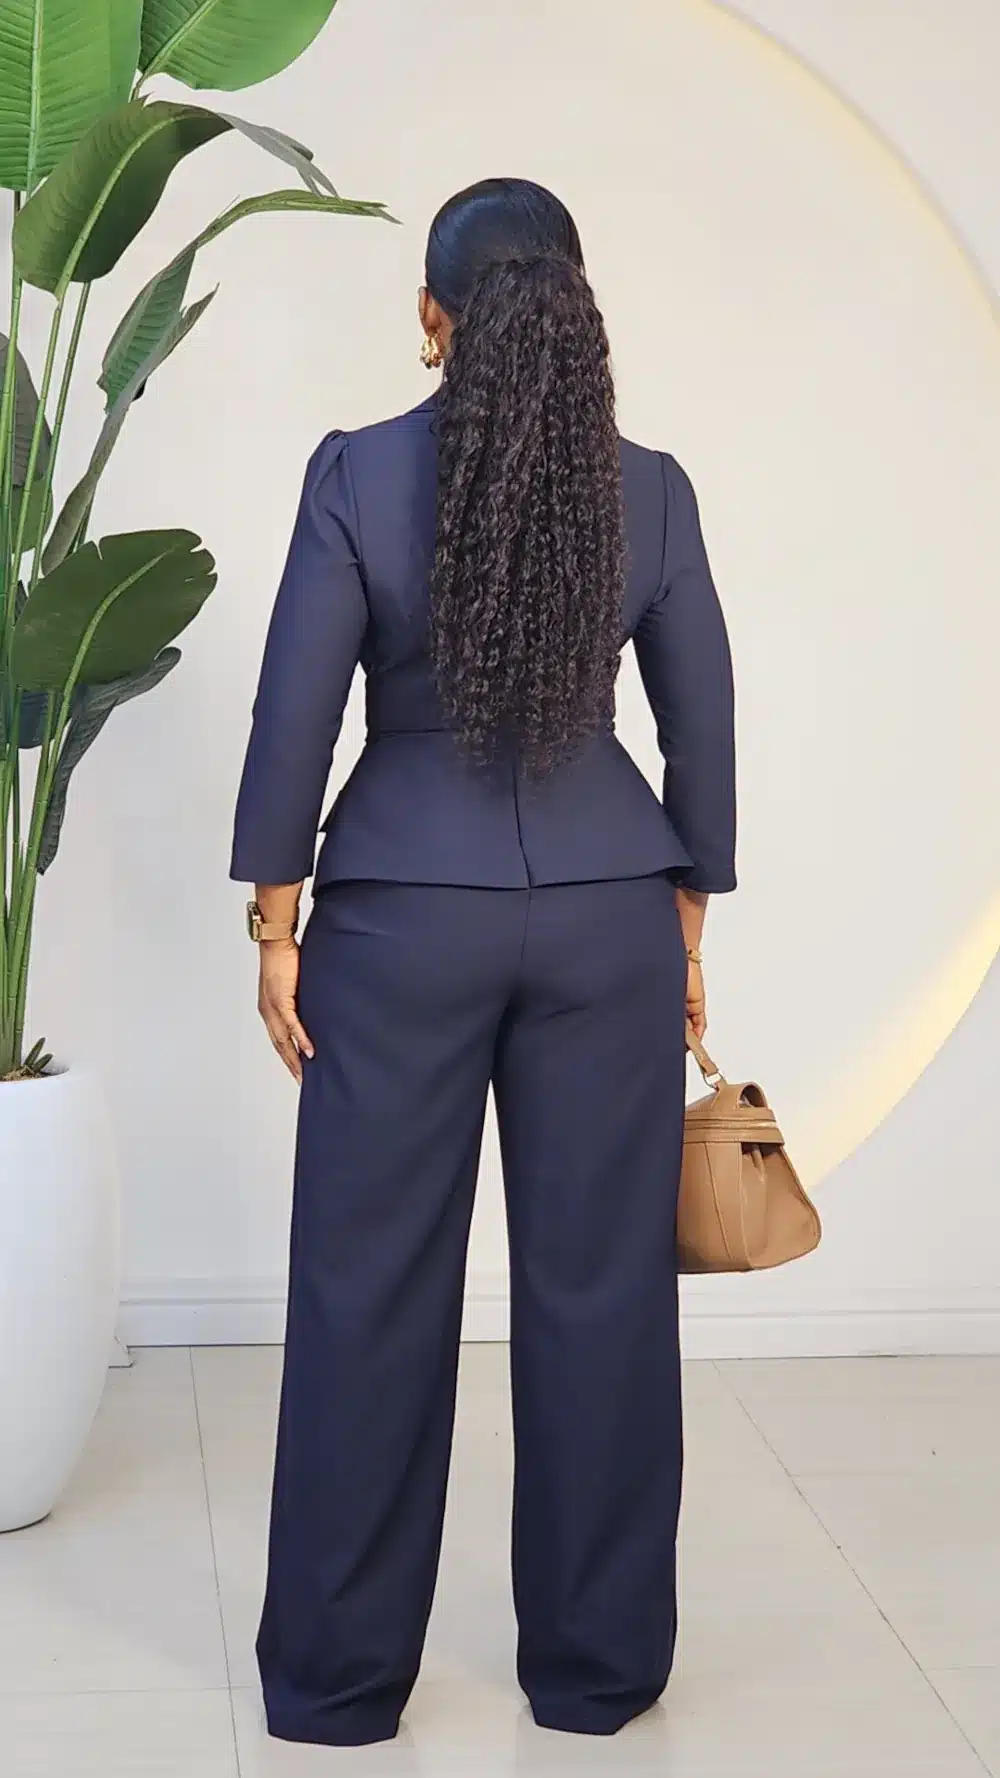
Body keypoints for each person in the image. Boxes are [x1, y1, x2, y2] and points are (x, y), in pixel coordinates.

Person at [231, 176, 736, 1748]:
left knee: (369, 1291)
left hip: (399, 924)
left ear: (433, 318)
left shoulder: (360, 474)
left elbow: (294, 713)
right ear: (577, 315)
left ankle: (335, 1684)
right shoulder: (651, 491)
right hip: (605, 917)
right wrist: (686, 911)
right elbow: (702, 721)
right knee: (600, 1295)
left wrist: (276, 921)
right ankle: (597, 1673)